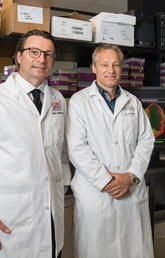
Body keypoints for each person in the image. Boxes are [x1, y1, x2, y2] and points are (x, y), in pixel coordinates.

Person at [66, 44, 155, 258]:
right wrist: (107, 181)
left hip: (131, 192)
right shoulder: (79, 101)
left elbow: (146, 141)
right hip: (96, 193)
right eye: (105, 64)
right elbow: (77, 147)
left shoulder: (133, 102)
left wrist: (131, 176)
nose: (111, 70)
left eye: (115, 64)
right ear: (94, 68)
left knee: (132, 250)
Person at [0, 29, 71, 258]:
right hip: (11, 220)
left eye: (48, 54)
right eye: (34, 51)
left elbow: (60, 155)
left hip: (51, 219)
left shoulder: (58, 99)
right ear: (19, 56)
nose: (41, 59)